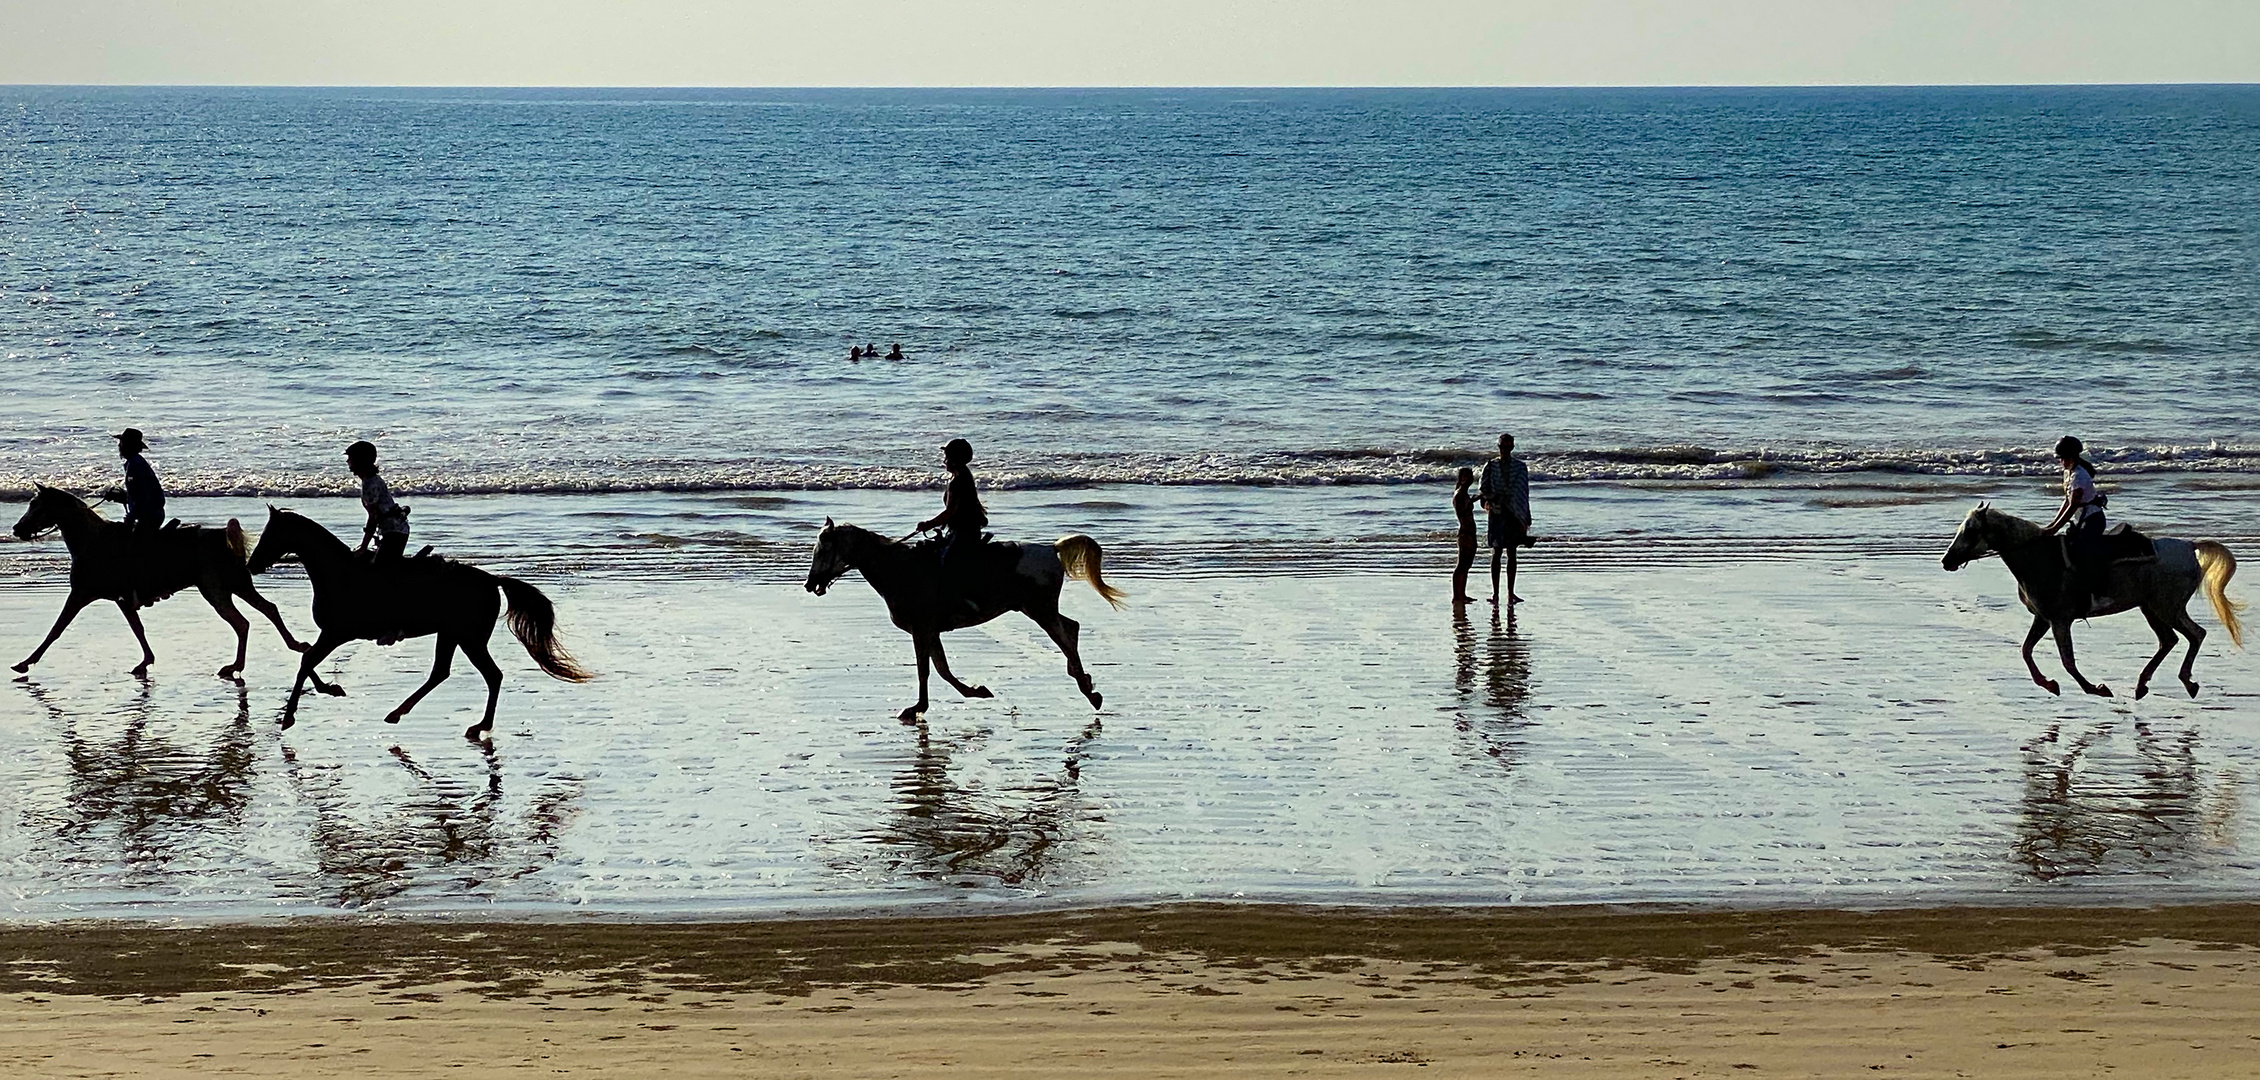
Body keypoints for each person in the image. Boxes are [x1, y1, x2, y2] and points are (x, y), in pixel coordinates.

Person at [915, 438, 989, 609]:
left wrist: (928, 524)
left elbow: (950, 512)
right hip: (960, 531)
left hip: (963, 533)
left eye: (946, 457)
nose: (944, 461)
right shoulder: (963, 476)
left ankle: (963, 601)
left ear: (954, 459)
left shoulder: (957, 482)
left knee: (947, 564)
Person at [2042, 434, 2110, 613]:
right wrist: (2052, 525)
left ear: (2072, 458)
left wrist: (2055, 528)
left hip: (2092, 520)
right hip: (2080, 518)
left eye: (2064, 458)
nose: (2062, 462)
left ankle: (2099, 591)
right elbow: (2066, 501)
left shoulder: (2080, 476)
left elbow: (2073, 505)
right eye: (2061, 459)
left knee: (2082, 552)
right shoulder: (2068, 473)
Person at [1480, 432, 1532, 606]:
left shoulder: (1520, 467)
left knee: (1512, 553)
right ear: (1498, 447)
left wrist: (1525, 517)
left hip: (1514, 514)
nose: (1505, 449)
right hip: (1497, 512)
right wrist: (1493, 498)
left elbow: (1524, 494)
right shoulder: (1490, 465)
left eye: (1508, 446)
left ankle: (1511, 593)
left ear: (1513, 447)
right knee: (1496, 552)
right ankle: (1495, 593)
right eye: (1503, 446)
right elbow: (1483, 489)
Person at [346, 440, 412, 563]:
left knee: (380, 569)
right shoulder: (371, 480)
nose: (347, 461)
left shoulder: (370, 484)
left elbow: (373, 517)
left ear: (360, 460)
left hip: (394, 530)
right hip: (391, 529)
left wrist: (363, 546)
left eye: (350, 458)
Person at [116, 428, 165, 536]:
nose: (119, 446)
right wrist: (123, 497)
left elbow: (143, 496)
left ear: (128, 446)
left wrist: (131, 517)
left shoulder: (135, 465)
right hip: (152, 512)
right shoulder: (135, 462)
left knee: (132, 547)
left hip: (149, 516)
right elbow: (138, 492)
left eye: (122, 443)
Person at [1451, 466, 1478, 604]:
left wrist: (1474, 499)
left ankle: (1462, 593)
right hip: (1465, 533)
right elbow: (1461, 511)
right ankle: (1456, 595)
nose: (1468, 479)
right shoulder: (1459, 494)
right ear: (1461, 478)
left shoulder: (1465, 494)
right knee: (1461, 565)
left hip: (1470, 532)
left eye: (1469, 476)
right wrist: (1469, 502)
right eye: (1465, 476)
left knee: (1466, 565)